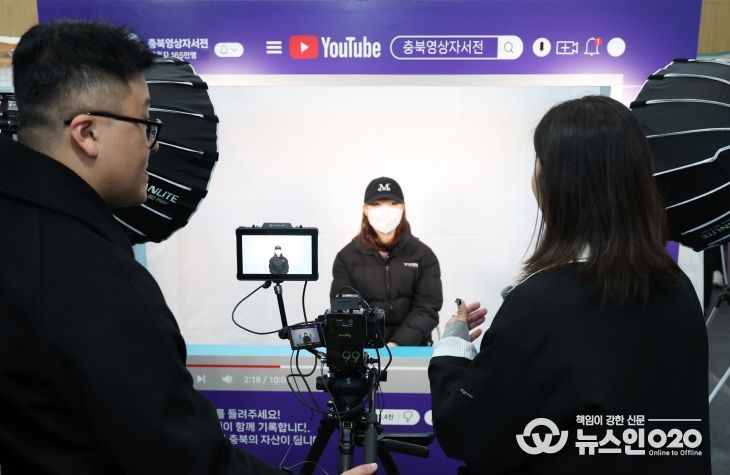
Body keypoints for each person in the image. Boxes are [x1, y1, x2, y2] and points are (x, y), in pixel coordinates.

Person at [0, 20, 376, 475]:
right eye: (146, 124)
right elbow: (180, 460)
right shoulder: (95, 279)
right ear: (88, 132)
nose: (154, 145)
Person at [429, 96, 711, 474]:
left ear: (557, 182)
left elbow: (465, 432)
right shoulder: (679, 289)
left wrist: (452, 349)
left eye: (539, 162)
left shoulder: (538, 304)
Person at [330, 177, 442, 346]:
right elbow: (344, 311)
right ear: (365, 209)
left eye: (393, 204)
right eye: (376, 204)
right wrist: (372, 345)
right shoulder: (346, 258)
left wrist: (398, 343)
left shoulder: (423, 255)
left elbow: (427, 307)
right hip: (366, 349)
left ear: (403, 208)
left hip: (412, 347)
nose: (385, 211)